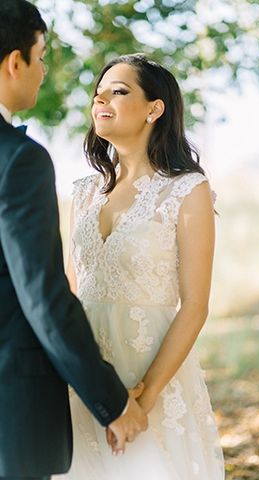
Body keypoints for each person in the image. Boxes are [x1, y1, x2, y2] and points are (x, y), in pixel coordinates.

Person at [56, 53, 224, 479]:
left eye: (119, 91)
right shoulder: (84, 192)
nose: (101, 101)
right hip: (86, 375)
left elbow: (195, 306)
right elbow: (68, 294)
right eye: (98, 94)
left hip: (151, 374)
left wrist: (141, 401)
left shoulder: (188, 190)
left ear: (154, 108)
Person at [0, 1, 148, 479]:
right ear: (14, 62)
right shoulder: (19, 160)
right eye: (40, 56)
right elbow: (43, 296)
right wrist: (112, 402)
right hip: (11, 413)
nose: (43, 71)